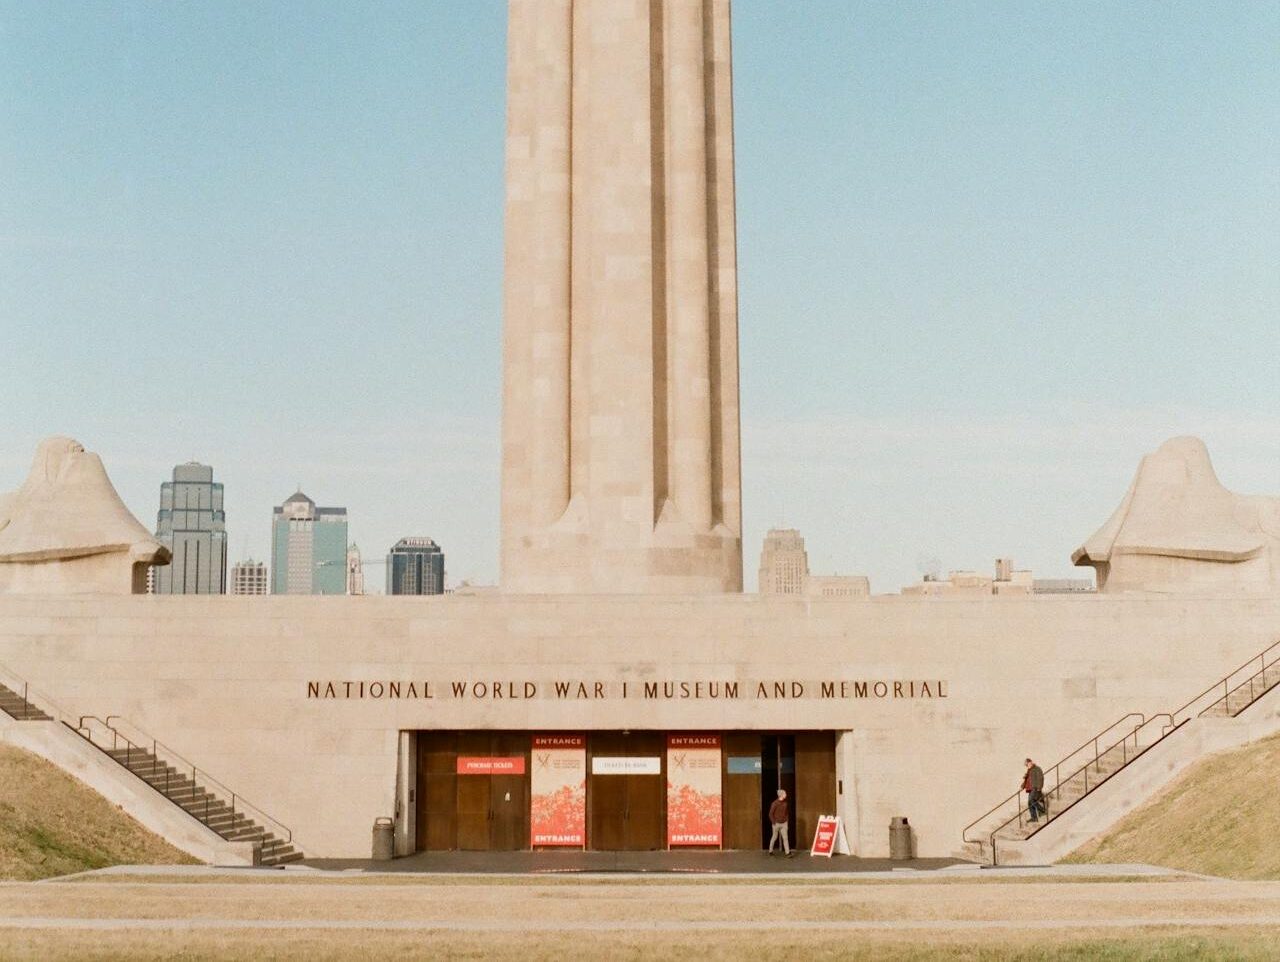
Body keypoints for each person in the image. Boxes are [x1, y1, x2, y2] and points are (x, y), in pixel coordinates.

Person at [767, 789, 792, 856]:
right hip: (776, 824)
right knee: (774, 837)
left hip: (784, 823)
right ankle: (770, 851)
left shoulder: (785, 803)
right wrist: (774, 822)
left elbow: (786, 813)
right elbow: (770, 814)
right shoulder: (775, 803)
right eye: (785, 793)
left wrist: (786, 820)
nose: (786, 795)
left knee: (785, 838)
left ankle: (788, 852)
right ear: (781, 795)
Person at [1023, 758, 1045, 822]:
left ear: (1031, 762)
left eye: (1028, 763)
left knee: (1031, 800)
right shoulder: (1029, 770)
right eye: (1027, 765)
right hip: (1030, 788)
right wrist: (1022, 786)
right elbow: (1026, 780)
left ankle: (1042, 810)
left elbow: (1041, 778)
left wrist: (1039, 787)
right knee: (1029, 803)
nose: (1028, 765)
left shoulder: (1037, 769)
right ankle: (1034, 817)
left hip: (1035, 787)